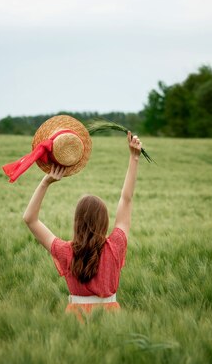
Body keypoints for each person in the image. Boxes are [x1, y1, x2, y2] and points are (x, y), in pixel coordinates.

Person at [22, 131, 142, 316]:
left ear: (77, 222)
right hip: (111, 317)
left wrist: (46, 182)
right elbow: (126, 199)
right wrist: (134, 158)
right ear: (104, 221)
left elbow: (29, 219)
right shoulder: (115, 245)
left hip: (75, 318)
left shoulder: (65, 251)